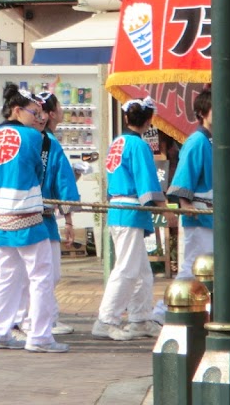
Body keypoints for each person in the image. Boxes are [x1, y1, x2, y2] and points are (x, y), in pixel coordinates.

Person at [0, 83, 66, 353]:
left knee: (7, 275)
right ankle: (40, 336)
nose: (40, 118)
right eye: (35, 113)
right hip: (26, 210)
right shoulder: (34, 138)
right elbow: (39, 171)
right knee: (41, 275)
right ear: (17, 110)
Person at [94, 97, 169, 341]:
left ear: (126, 118)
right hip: (130, 208)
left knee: (142, 271)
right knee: (126, 269)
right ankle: (106, 319)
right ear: (149, 121)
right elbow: (146, 179)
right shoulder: (139, 145)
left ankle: (140, 319)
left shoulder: (117, 142)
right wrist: (162, 206)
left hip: (118, 206)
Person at [28, 92, 81, 336]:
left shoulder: (50, 143)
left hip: (44, 216)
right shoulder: (26, 140)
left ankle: (43, 317)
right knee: (36, 273)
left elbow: (63, 180)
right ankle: (36, 320)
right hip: (24, 214)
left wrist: (68, 218)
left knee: (47, 272)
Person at [166, 88, 214, 280]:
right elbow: (184, 174)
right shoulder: (197, 141)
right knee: (194, 268)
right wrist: (185, 203)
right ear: (202, 113)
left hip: (211, 217)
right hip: (199, 216)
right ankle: (169, 308)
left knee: (206, 269)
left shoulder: (212, 140)